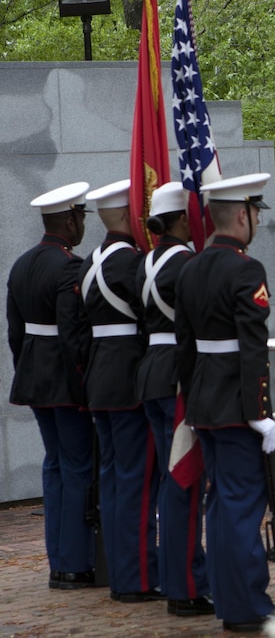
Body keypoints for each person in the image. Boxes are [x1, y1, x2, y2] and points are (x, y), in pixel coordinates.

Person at [174, 173, 275, 633]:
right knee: (240, 505)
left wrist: (194, 406)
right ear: (242, 215)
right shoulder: (245, 270)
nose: (256, 219)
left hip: (204, 403)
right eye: (255, 212)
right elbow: (253, 347)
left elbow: (183, 348)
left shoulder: (190, 267)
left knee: (219, 505)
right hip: (238, 406)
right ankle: (246, 606)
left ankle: (227, 598)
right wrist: (259, 414)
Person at [7, 182, 97, 589]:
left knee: (54, 465)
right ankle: (76, 564)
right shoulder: (68, 266)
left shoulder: (22, 264)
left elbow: (14, 333)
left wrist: (27, 368)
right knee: (77, 466)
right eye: (80, 217)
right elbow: (71, 334)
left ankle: (59, 561)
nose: (81, 226)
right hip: (65, 382)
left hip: (34, 379)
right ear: (69, 219)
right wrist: (83, 386)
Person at [134, 182, 214, 618]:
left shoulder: (144, 261)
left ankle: (173, 577)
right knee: (185, 482)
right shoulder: (185, 263)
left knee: (170, 482)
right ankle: (187, 585)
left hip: (149, 372)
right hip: (177, 376)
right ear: (182, 220)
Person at [79, 179, 160, 602]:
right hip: (129, 375)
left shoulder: (89, 261)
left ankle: (119, 569)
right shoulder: (131, 262)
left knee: (112, 478)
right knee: (137, 480)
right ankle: (138, 576)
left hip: (98, 377)